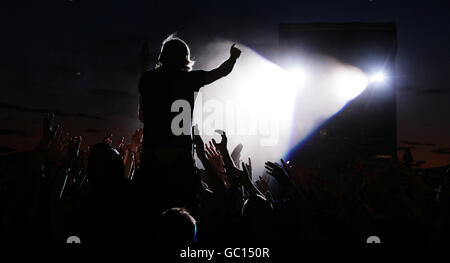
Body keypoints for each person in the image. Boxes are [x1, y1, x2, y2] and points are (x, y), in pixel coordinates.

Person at [136, 34, 241, 211]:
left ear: (162, 56)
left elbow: (142, 116)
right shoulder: (191, 79)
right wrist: (233, 58)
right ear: (186, 58)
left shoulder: (147, 79)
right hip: (181, 156)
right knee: (183, 211)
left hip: (152, 155)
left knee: (150, 211)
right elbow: (221, 72)